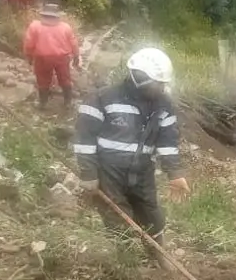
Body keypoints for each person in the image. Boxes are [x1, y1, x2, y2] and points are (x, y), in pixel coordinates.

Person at [73, 48, 191, 259]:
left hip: (143, 171)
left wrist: (175, 173)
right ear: (140, 78)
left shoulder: (163, 104)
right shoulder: (102, 99)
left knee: (152, 214)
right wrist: (89, 173)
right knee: (118, 218)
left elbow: (168, 141)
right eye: (159, 82)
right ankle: (126, 262)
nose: (163, 87)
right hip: (109, 172)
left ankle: (158, 255)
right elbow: (85, 140)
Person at [23, 4, 80, 109]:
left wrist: (29, 55)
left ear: (43, 14)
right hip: (62, 58)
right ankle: (68, 102)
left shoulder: (35, 26)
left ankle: (43, 103)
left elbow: (29, 43)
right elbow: (74, 43)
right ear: (57, 16)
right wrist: (76, 56)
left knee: (43, 80)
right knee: (65, 79)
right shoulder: (65, 27)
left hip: (42, 58)